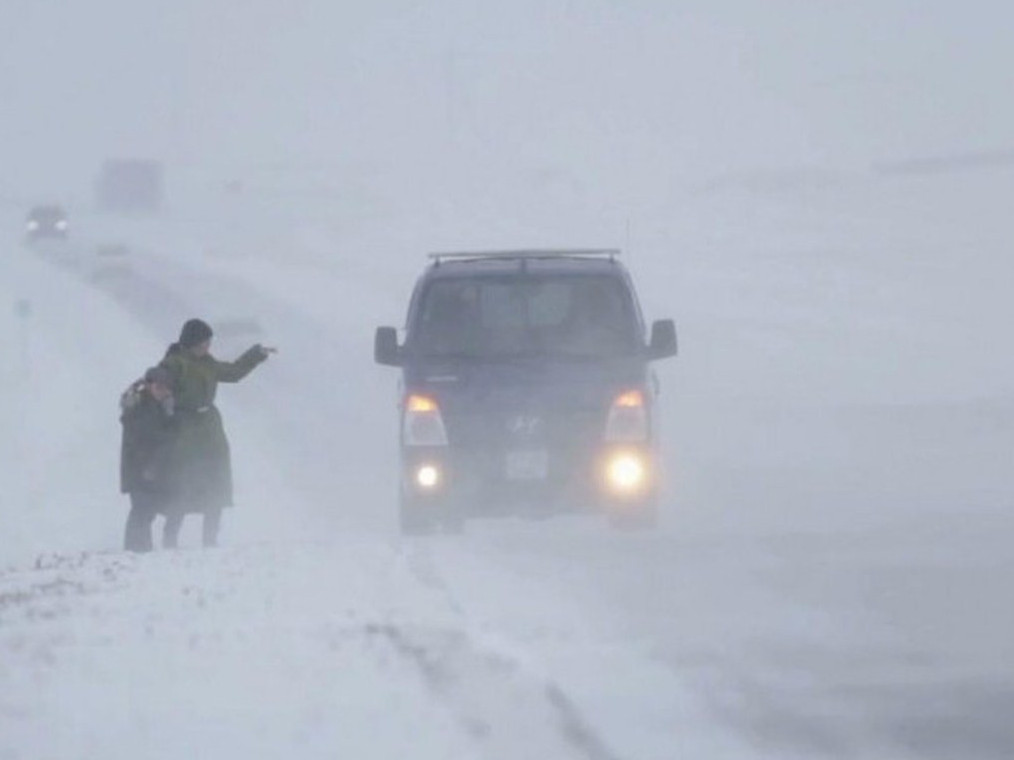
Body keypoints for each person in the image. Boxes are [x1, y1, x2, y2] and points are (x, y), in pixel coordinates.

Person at [159, 318, 274, 548]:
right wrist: (166, 403)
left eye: (208, 342)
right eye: (203, 342)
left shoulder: (209, 363)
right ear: (191, 341)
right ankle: (170, 538)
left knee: (216, 482)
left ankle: (210, 539)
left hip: (209, 429)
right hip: (184, 429)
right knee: (183, 483)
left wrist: (256, 354)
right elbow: (159, 385)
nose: (207, 346)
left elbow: (233, 372)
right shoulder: (174, 363)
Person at [120, 366, 177, 553]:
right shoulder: (140, 407)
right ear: (149, 386)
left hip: (152, 467)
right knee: (142, 510)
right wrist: (149, 466)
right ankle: (135, 550)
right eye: (160, 387)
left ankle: (140, 549)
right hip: (141, 467)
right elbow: (145, 438)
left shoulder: (156, 406)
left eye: (167, 388)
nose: (164, 392)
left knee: (147, 510)